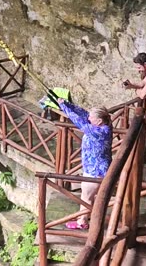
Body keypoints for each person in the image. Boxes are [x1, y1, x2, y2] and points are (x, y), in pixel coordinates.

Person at [57, 98, 113, 229]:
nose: (89, 118)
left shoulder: (99, 132)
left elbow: (79, 122)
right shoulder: (105, 125)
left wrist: (64, 108)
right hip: (97, 169)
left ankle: (82, 221)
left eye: (92, 118)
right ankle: (88, 219)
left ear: (98, 121)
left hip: (95, 171)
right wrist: (66, 104)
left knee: (86, 197)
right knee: (90, 196)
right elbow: (83, 113)